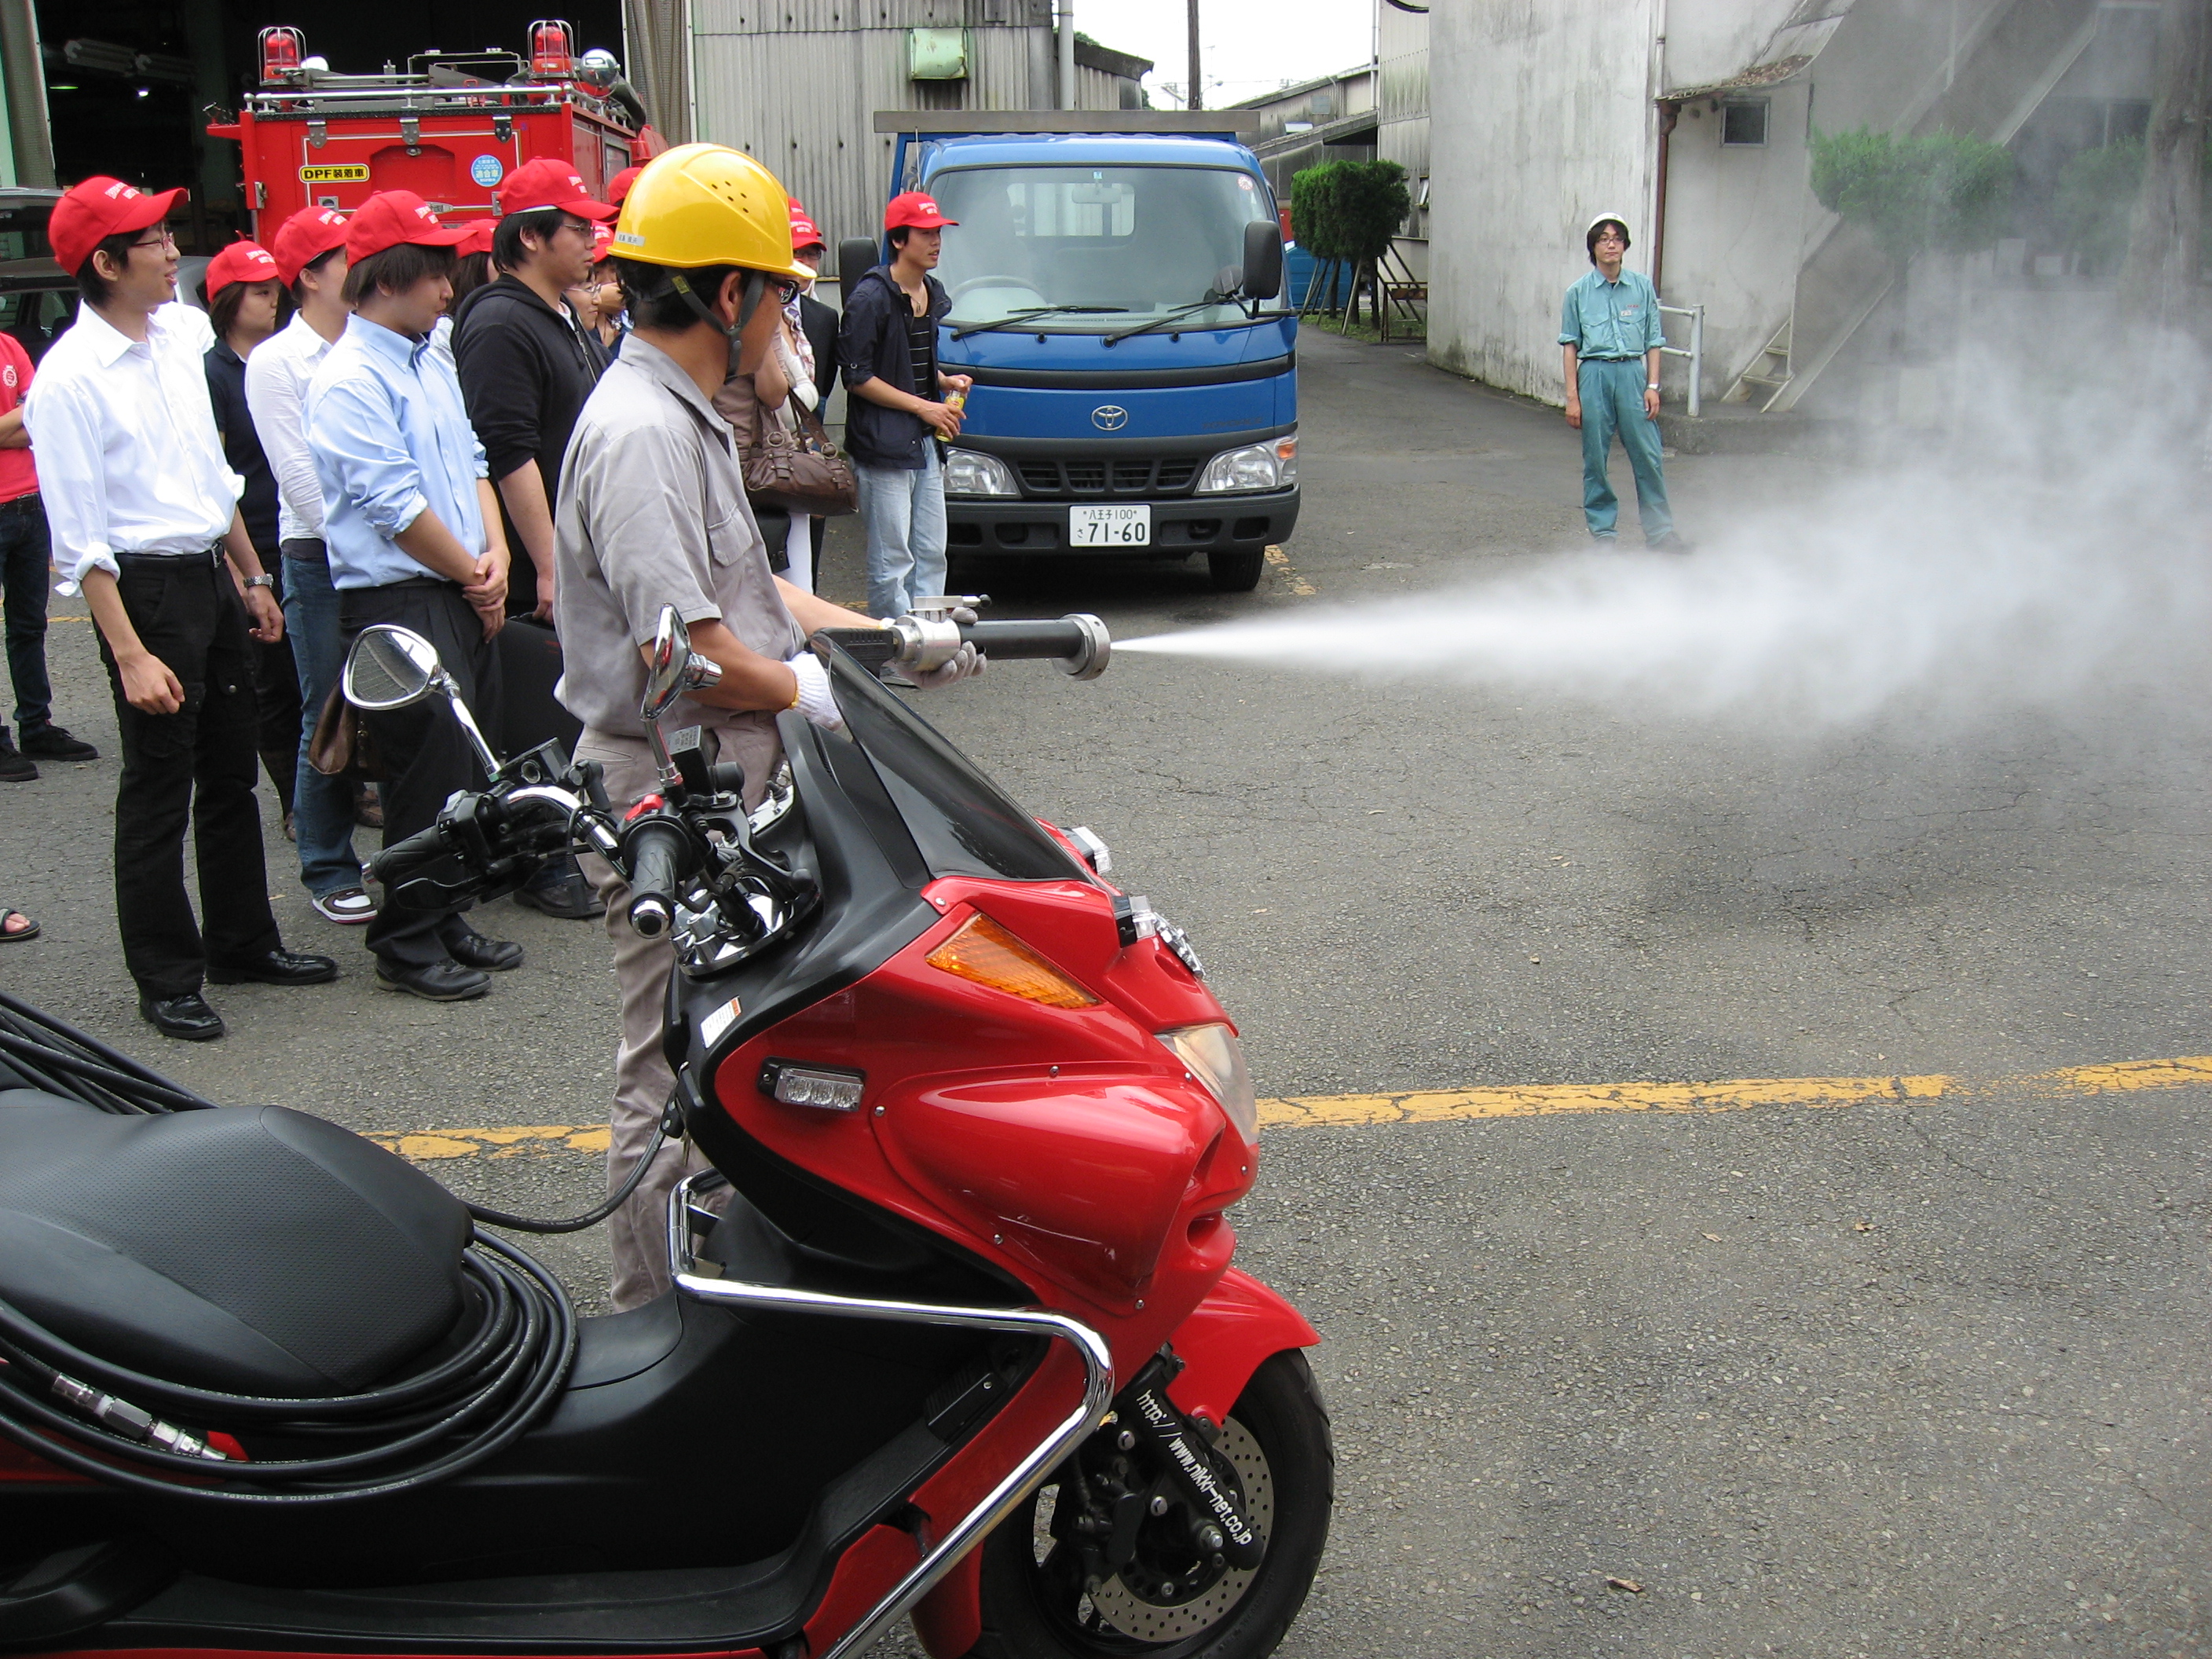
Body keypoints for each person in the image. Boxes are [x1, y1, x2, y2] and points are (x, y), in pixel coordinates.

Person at [555, 142, 982, 1308]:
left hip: (716, 784)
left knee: (745, 1050)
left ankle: (736, 1292)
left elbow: (750, 597)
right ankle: (652, 1326)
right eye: (780, 295)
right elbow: (686, 655)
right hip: (664, 793)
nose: (792, 321)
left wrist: (886, 642)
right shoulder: (643, 433)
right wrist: (816, 691)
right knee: (673, 1069)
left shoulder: (680, 412)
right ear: (727, 294)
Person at [25, 177, 336, 1041]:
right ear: (104, 261)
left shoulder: (178, 340)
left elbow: (212, 477)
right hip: (144, 591)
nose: (173, 253)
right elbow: (81, 540)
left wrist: (252, 576)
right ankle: (165, 975)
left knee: (231, 772)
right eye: (153, 238)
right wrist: (128, 653)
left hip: (207, 573)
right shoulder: (70, 380)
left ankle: (244, 942)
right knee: (159, 785)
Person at [306, 189, 519, 1002]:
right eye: (435, 273)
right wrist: (473, 569)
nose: (447, 290)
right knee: (421, 775)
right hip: (399, 600)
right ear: (389, 277)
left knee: (465, 767)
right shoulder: (348, 380)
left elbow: (472, 461)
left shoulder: (429, 355)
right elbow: (393, 508)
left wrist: (493, 554)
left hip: (459, 585)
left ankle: (445, 912)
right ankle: (404, 939)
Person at [451, 158, 614, 922]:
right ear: (529, 237)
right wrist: (547, 566)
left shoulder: (556, 313)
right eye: (576, 227)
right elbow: (504, 448)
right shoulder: (497, 321)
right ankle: (539, 859)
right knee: (534, 712)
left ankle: (562, 835)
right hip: (531, 570)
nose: (591, 239)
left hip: (572, 553)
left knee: (568, 708)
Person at [247, 206, 376, 926]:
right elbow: (299, 483)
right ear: (309, 277)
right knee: (325, 709)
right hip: (320, 557)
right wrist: (390, 535)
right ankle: (327, 863)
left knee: (396, 705)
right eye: (345, 254)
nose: (361, 264)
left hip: (389, 551)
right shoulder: (277, 362)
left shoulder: (372, 342)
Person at [202, 239, 303, 841]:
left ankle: (342, 783)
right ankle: (295, 798)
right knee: (275, 679)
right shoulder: (213, 373)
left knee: (317, 674)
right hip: (255, 540)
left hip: (299, 530)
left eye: (275, 290)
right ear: (229, 300)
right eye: (260, 292)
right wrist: (243, 568)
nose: (273, 302)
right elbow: (216, 469)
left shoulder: (285, 359)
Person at [838, 191, 972, 617]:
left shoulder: (931, 292)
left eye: (938, 233)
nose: (935, 242)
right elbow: (857, 377)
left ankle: (928, 638)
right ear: (898, 240)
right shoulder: (870, 298)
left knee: (932, 550)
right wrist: (923, 407)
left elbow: (903, 361)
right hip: (883, 444)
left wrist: (943, 380)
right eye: (925, 233)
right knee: (892, 560)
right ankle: (894, 650)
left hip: (924, 442)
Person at [0, 321, 100, 782]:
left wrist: (19, 424)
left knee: (29, 623)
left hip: (30, 502)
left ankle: (36, 724)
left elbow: (43, 417)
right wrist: (23, 421)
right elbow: (31, 419)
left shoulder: (10, 347)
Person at [1559, 213, 1683, 551]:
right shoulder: (1578, 292)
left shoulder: (1641, 286)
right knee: (1596, 458)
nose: (1610, 244)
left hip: (1632, 373)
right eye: (1603, 239)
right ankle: (1604, 535)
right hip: (1594, 374)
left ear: (1625, 245)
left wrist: (1653, 386)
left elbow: (1653, 340)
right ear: (1593, 247)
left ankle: (1660, 533)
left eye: (1616, 238)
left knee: (1648, 454)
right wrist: (1573, 397)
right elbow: (1570, 345)